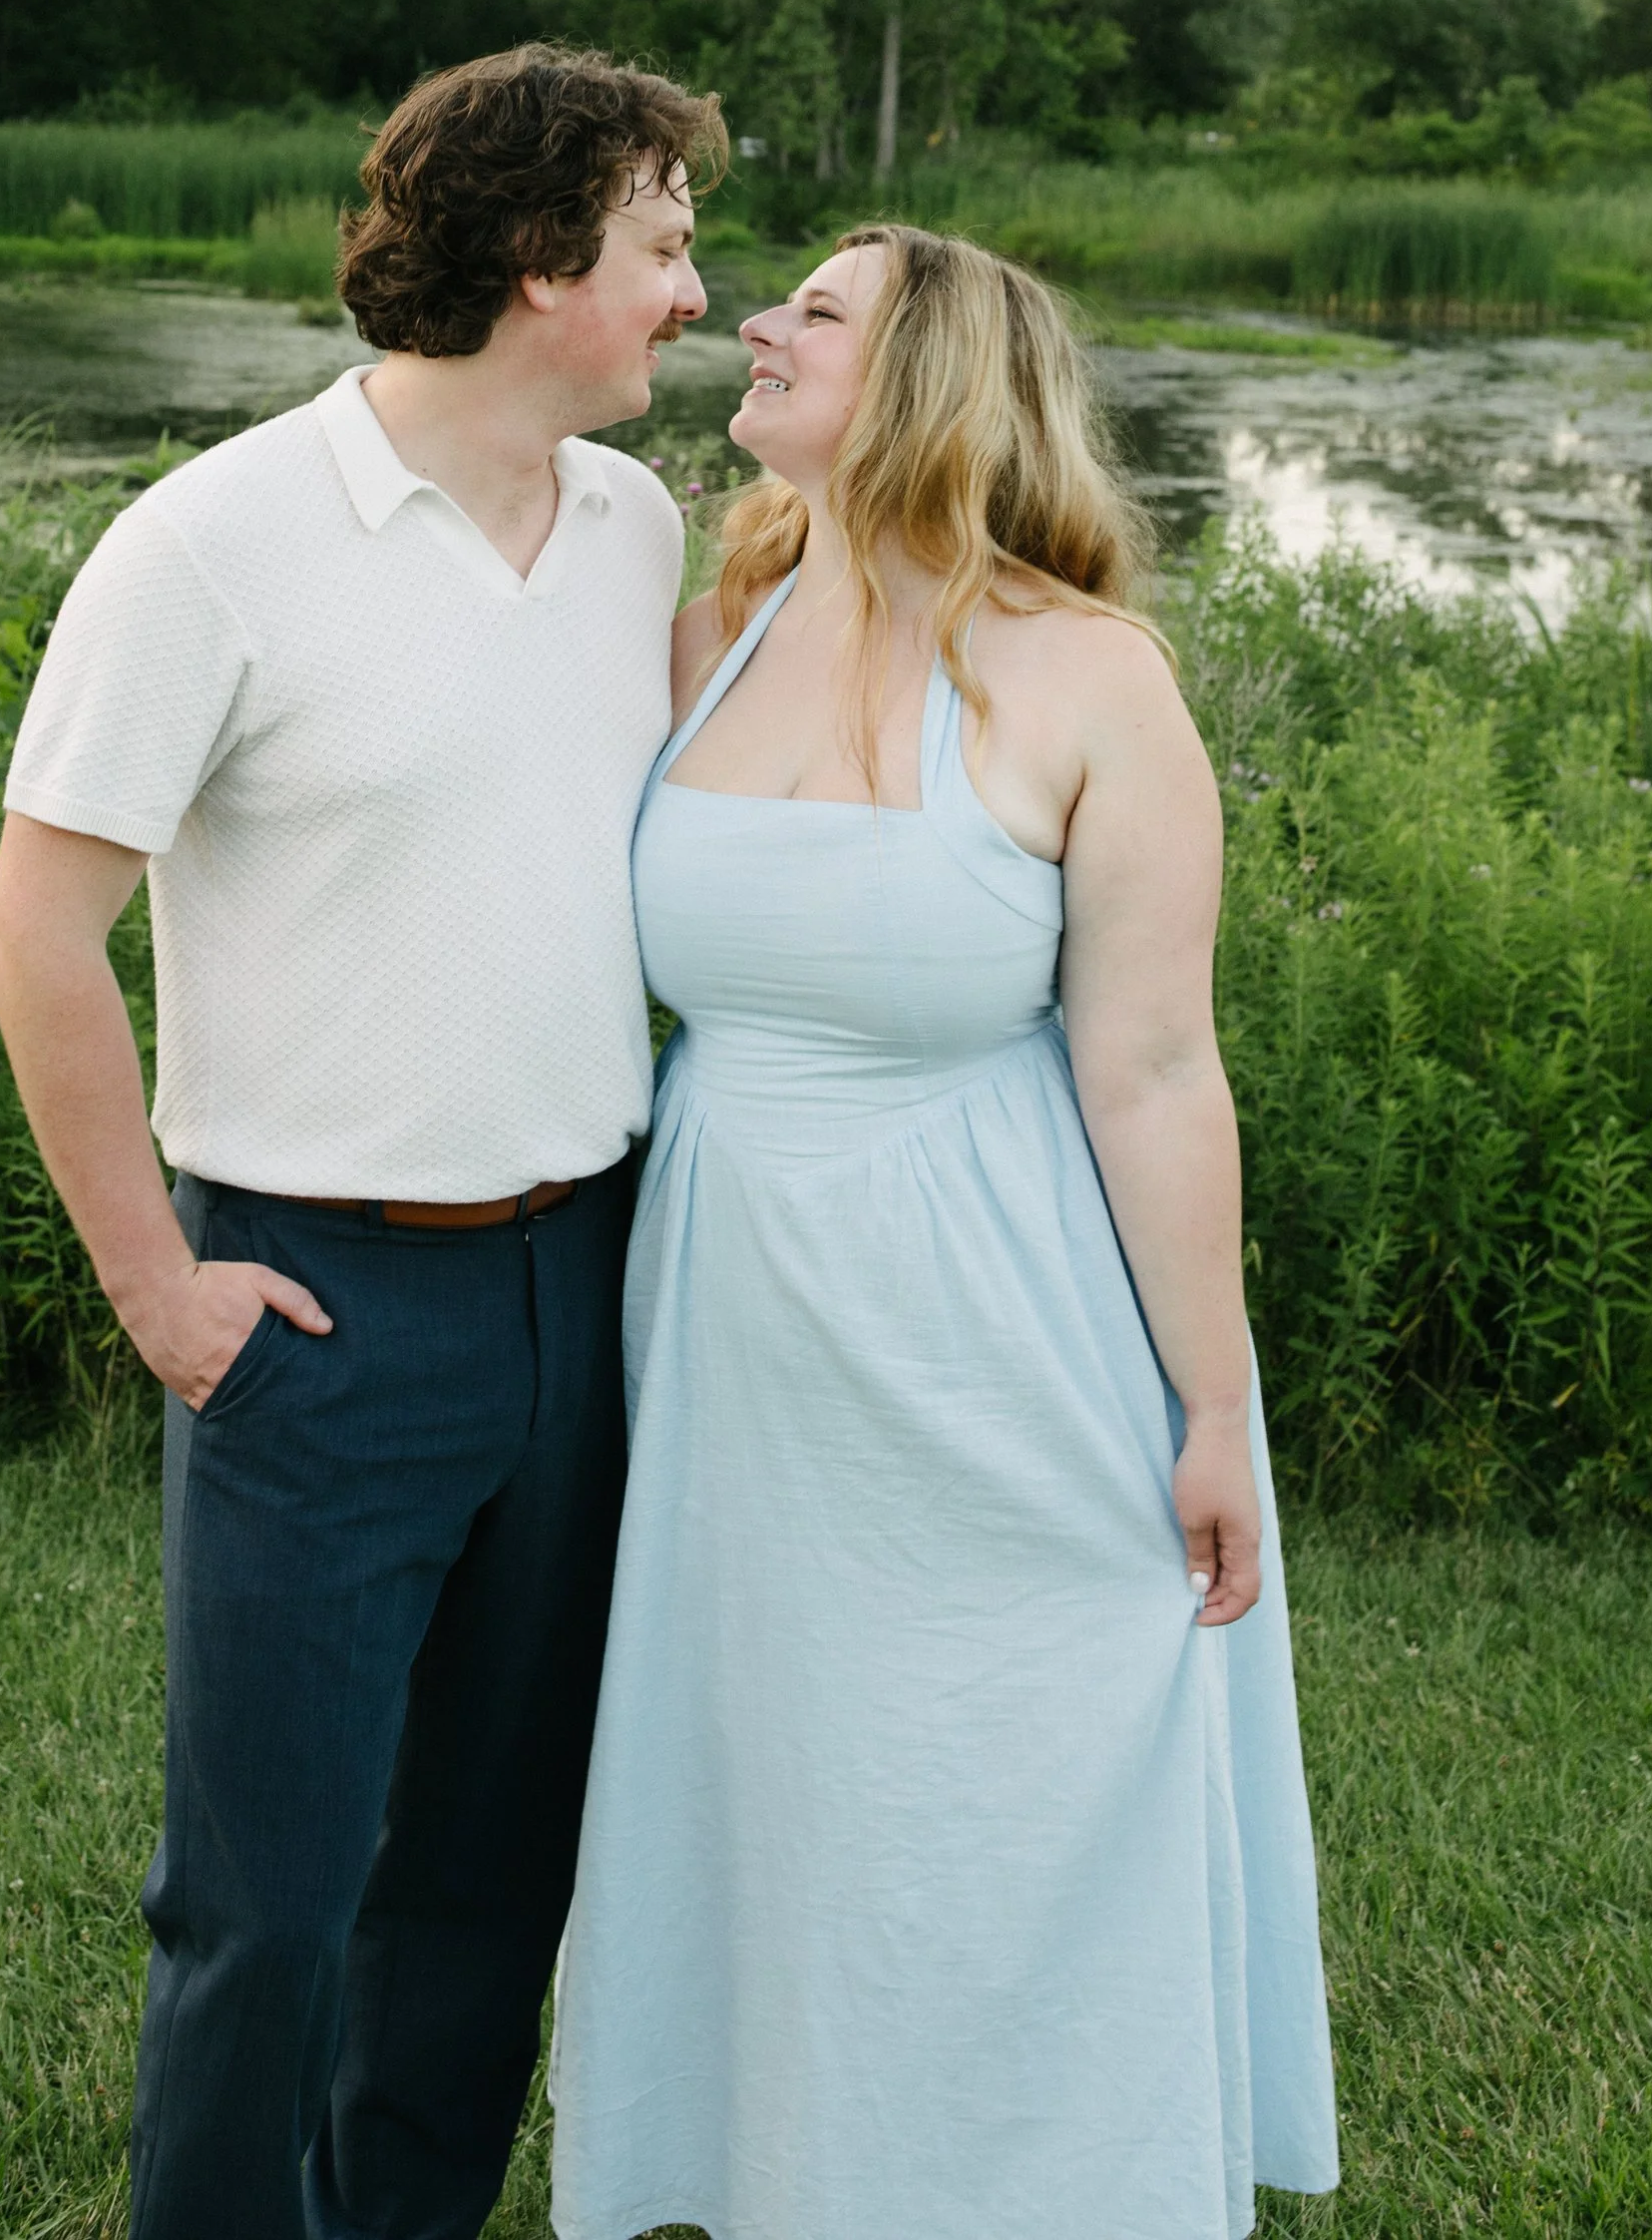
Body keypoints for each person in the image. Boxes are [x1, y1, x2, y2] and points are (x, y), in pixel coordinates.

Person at [0, 43, 721, 2240]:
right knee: (269, 1904)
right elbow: (41, 929)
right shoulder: (210, 544)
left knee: (490, 1889)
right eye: (661, 246)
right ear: (533, 265)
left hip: (577, 1283)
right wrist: (152, 1283)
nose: (693, 292)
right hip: (312, 1299)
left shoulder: (632, 526)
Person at [550, 224, 1340, 2240]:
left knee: (1000, 1774)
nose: (757, 319)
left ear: (927, 380)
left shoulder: (1093, 677)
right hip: (731, 1305)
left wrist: (1208, 1409)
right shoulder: (703, 619)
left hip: (989, 1308)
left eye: (814, 310)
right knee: (781, 1781)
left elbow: (1155, 1072)